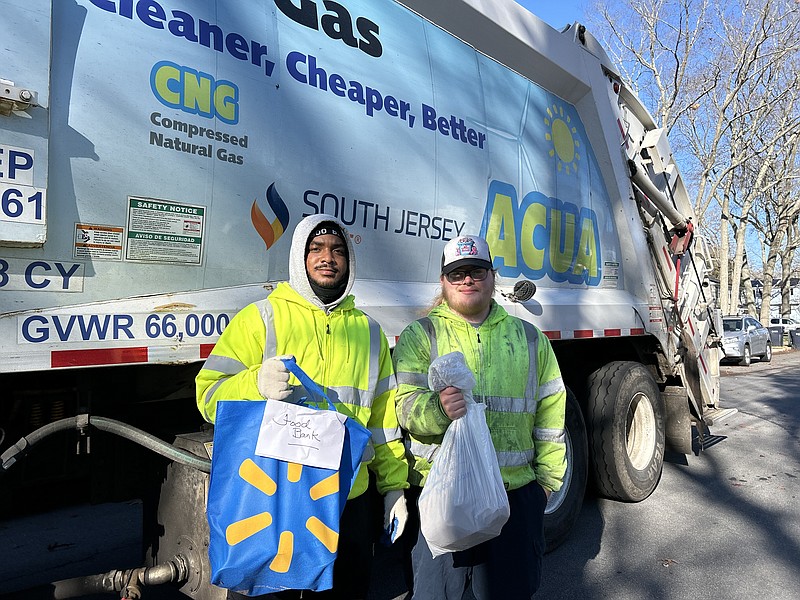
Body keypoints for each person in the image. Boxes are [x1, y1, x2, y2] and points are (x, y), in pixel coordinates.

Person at [196, 214, 409, 599]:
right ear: (299, 257)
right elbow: (208, 397)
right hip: (273, 500)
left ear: (349, 262)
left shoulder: (371, 332)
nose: (327, 258)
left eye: (337, 250)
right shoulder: (261, 318)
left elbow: (383, 421)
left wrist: (394, 488)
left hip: (348, 500)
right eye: (316, 249)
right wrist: (254, 383)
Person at [393, 234, 567, 600]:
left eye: (476, 271)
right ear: (443, 281)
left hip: (514, 499)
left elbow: (551, 415)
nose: (467, 280)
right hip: (441, 498)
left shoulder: (531, 340)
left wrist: (545, 486)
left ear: (493, 276)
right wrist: (439, 409)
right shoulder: (419, 336)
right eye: (457, 274)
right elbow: (404, 409)